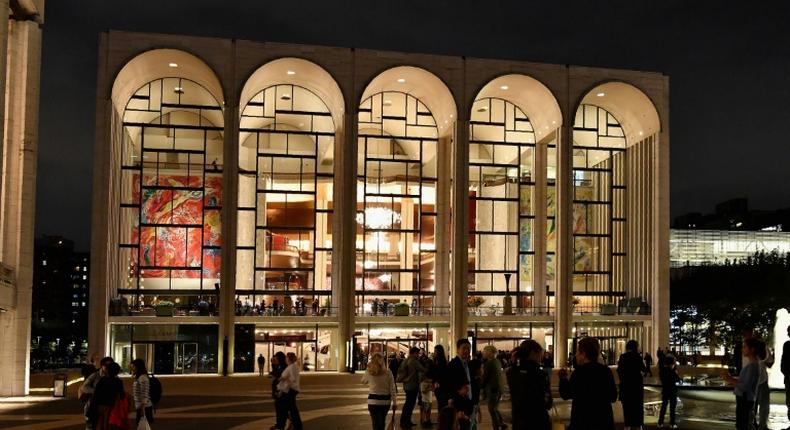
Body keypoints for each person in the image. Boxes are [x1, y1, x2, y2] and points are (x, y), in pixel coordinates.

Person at [559, 337, 617, 430]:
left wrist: (563, 379)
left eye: (578, 352)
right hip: (603, 421)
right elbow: (613, 397)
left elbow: (566, 394)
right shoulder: (605, 371)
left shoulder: (579, 373)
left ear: (584, 354)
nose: (576, 355)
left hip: (582, 421)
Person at [507, 340, 552, 430]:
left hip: (519, 420)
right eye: (539, 354)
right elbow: (547, 402)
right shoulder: (539, 374)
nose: (541, 357)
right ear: (532, 353)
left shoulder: (512, 372)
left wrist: (514, 362)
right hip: (537, 421)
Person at [723, 337, 762, 430]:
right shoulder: (751, 365)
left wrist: (729, 379)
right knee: (742, 424)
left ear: (752, 349)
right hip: (744, 399)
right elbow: (744, 382)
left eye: (744, 347)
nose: (742, 349)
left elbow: (745, 386)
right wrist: (732, 379)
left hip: (745, 400)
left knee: (743, 425)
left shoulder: (753, 366)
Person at [362, 353, 397, 430]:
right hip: (385, 401)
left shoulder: (369, 371)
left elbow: (364, 381)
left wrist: (368, 370)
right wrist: (394, 402)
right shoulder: (388, 372)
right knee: (382, 422)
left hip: (373, 401)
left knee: (376, 423)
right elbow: (392, 388)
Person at [617, 340, 647, 430]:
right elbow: (644, 369)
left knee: (627, 407)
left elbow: (619, 370)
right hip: (636, 385)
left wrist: (623, 379)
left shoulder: (623, 357)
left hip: (626, 386)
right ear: (635, 347)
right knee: (638, 407)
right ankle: (638, 425)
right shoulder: (638, 357)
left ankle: (627, 425)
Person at [91, 362, 126, 430]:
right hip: (111, 405)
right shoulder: (118, 382)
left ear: (108, 370)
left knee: (100, 422)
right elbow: (122, 395)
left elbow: (96, 393)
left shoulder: (102, 380)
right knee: (108, 423)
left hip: (100, 405)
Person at [81, 356, 113, 429]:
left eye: (111, 365)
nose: (108, 368)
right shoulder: (95, 375)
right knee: (92, 425)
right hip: (93, 404)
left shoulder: (113, 376)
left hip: (107, 406)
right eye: (106, 365)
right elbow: (84, 387)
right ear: (102, 366)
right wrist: (97, 391)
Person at [398, 346, 427, 428]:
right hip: (412, 385)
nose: (418, 355)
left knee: (408, 404)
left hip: (406, 385)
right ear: (414, 353)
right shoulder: (414, 361)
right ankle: (405, 422)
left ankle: (405, 421)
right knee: (410, 404)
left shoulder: (406, 360)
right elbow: (423, 369)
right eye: (417, 353)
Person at [447, 339, 473, 430]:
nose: (466, 350)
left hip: (467, 402)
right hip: (459, 404)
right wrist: (458, 392)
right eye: (464, 348)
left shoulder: (468, 364)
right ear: (458, 349)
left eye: (468, 348)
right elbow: (448, 385)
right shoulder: (453, 365)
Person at [481, 345, 505, 430]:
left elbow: (485, 377)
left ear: (489, 353)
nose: (483, 353)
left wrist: (480, 386)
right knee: (494, 408)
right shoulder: (497, 361)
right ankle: (501, 423)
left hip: (493, 389)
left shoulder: (489, 363)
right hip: (498, 388)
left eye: (484, 351)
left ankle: (496, 426)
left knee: (491, 409)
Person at [277, 352, 303, 430]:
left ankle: (294, 425)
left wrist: (283, 378)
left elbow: (292, 379)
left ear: (289, 359)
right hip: (289, 390)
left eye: (286, 357)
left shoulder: (292, 367)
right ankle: (294, 424)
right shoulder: (292, 366)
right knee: (291, 409)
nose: (285, 359)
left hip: (290, 390)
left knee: (289, 409)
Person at [657, 356, 680, 429]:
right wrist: (675, 372)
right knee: (672, 408)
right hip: (672, 390)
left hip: (665, 390)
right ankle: (672, 423)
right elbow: (677, 380)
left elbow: (662, 379)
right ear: (672, 363)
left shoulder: (662, 370)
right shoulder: (673, 371)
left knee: (663, 407)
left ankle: (660, 423)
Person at [130, 359, 153, 427]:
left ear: (138, 367)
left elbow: (144, 394)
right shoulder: (139, 377)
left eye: (133, 367)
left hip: (144, 407)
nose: (132, 369)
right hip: (141, 407)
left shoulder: (142, 378)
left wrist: (142, 409)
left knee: (143, 426)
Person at [269, 352, 288, 430]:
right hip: (277, 390)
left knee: (281, 410)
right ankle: (279, 424)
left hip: (281, 391)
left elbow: (280, 376)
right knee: (278, 409)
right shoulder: (278, 366)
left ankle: (281, 425)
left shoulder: (284, 367)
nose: (275, 360)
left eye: (276, 358)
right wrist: (273, 364)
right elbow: (274, 373)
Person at [755, 341, 769, 430]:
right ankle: (762, 425)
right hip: (761, 383)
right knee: (763, 406)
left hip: (759, 382)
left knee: (756, 406)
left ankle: (761, 425)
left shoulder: (758, 360)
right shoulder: (759, 362)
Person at [432, 345, 451, 410]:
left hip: (442, 388)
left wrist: (437, 382)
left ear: (439, 352)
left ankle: (442, 419)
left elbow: (442, 376)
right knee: (441, 404)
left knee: (442, 405)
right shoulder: (436, 362)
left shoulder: (442, 363)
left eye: (435, 351)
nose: (434, 353)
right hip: (439, 388)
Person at [782, 325, 790, 428]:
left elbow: (784, 362)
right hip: (788, 378)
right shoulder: (787, 345)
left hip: (789, 378)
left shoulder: (787, 345)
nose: (788, 333)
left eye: (789, 331)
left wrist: (785, 371)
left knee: (789, 402)